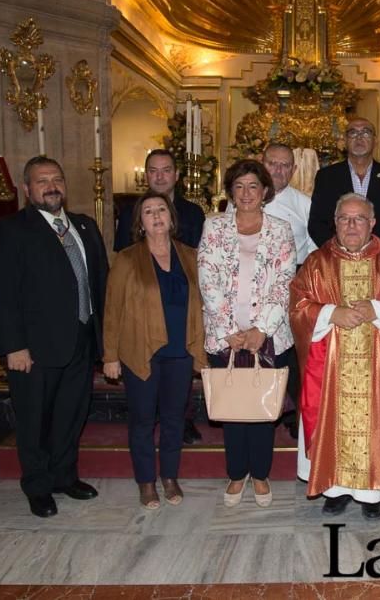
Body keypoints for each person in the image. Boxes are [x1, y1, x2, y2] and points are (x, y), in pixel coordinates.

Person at [0, 156, 108, 518]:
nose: (51, 186)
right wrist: (13, 345)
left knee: (71, 416)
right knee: (34, 420)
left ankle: (64, 476)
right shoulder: (12, 230)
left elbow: (100, 285)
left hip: (81, 341)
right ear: (27, 189)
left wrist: (106, 341)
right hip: (34, 350)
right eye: (42, 181)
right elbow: (2, 293)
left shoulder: (84, 227)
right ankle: (38, 487)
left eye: (57, 178)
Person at [290, 193, 380, 520]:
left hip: (379, 367)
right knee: (331, 419)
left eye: (359, 218)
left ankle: (373, 492)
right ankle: (334, 489)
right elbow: (297, 304)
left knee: (375, 421)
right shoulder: (317, 262)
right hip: (330, 367)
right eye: (344, 218)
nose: (351, 225)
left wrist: (378, 309)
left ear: (372, 223)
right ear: (334, 223)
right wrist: (329, 314)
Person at [197, 159, 296, 508]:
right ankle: (237, 474)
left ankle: (261, 474)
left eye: (253, 186)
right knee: (234, 408)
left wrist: (261, 330)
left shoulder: (281, 229)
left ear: (265, 191)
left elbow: (284, 282)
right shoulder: (214, 227)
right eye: (239, 186)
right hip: (225, 337)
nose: (246, 193)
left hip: (268, 336)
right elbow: (207, 279)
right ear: (231, 192)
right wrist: (230, 332)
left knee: (261, 409)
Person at [102, 192, 205, 510]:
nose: (156, 215)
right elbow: (112, 309)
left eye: (162, 209)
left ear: (172, 218)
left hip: (180, 350)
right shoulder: (127, 258)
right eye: (148, 211)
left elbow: (204, 302)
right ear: (140, 222)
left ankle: (170, 477)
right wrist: (110, 355)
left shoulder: (191, 255)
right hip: (140, 351)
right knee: (143, 420)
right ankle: (146, 482)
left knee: (175, 419)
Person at [114, 148, 206, 444]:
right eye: (153, 170)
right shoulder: (130, 211)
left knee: (176, 404)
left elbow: (198, 263)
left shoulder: (193, 212)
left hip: (181, 298)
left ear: (177, 175)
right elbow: (121, 262)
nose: (160, 176)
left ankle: (183, 422)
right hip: (143, 306)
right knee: (142, 411)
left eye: (166, 170)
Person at [261, 143, 316, 439]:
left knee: (293, 349)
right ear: (262, 162)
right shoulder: (245, 196)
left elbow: (316, 249)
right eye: (272, 163)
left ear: (294, 170)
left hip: (294, 281)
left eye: (285, 165)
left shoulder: (304, 204)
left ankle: (294, 410)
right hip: (254, 284)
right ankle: (262, 407)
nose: (278, 171)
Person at [308, 117, 380, 250]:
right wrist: (340, 251)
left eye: (365, 133)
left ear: (375, 140)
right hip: (338, 258)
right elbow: (317, 223)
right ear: (345, 141)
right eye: (353, 133)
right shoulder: (327, 177)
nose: (359, 138)